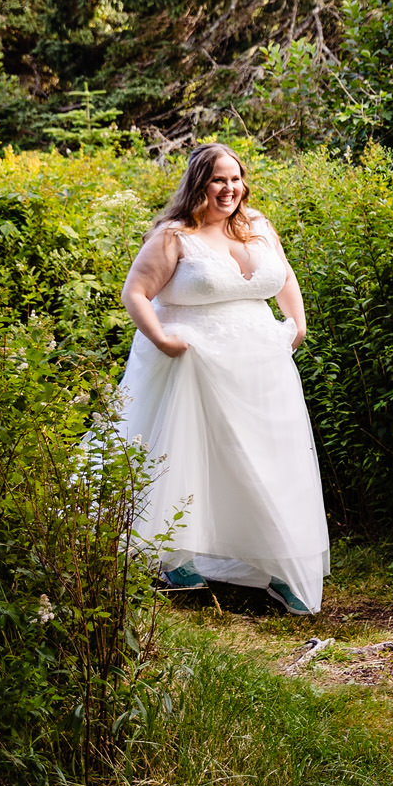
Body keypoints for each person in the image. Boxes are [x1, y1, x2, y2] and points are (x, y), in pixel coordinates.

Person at [112, 142, 329, 614]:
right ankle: (173, 555)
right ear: (198, 184)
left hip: (261, 368)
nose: (228, 188)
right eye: (217, 179)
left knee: (269, 460)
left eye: (234, 178)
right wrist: (163, 340)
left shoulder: (258, 227)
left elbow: (285, 276)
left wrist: (298, 323)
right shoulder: (175, 236)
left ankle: (277, 563)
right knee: (196, 458)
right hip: (197, 367)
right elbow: (136, 292)